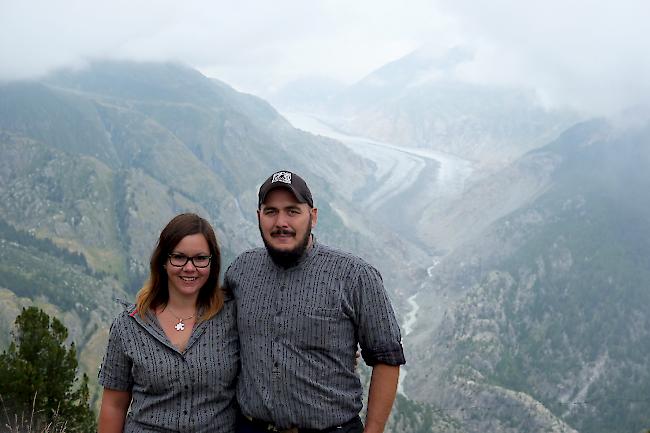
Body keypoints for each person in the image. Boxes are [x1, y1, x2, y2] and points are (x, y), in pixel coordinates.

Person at [225, 170, 405, 433]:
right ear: (259, 217)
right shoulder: (240, 271)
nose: (281, 222)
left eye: (292, 211)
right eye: (271, 211)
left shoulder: (355, 276)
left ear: (313, 216)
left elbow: (387, 357)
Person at [98, 213, 238, 433]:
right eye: (179, 257)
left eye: (200, 258)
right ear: (163, 261)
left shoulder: (231, 317)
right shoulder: (129, 325)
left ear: (213, 263)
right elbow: (114, 405)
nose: (190, 268)